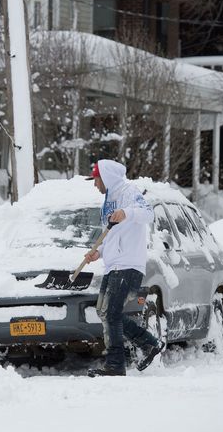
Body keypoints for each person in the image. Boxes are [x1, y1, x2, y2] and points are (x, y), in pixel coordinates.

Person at [84, 159, 164, 377]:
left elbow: (148, 213)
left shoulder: (129, 192)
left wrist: (127, 212)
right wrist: (98, 253)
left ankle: (116, 364)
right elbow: (112, 235)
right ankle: (148, 344)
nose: (95, 185)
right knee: (105, 311)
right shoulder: (109, 200)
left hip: (128, 264)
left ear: (106, 177)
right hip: (113, 265)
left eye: (96, 179)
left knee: (111, 313)